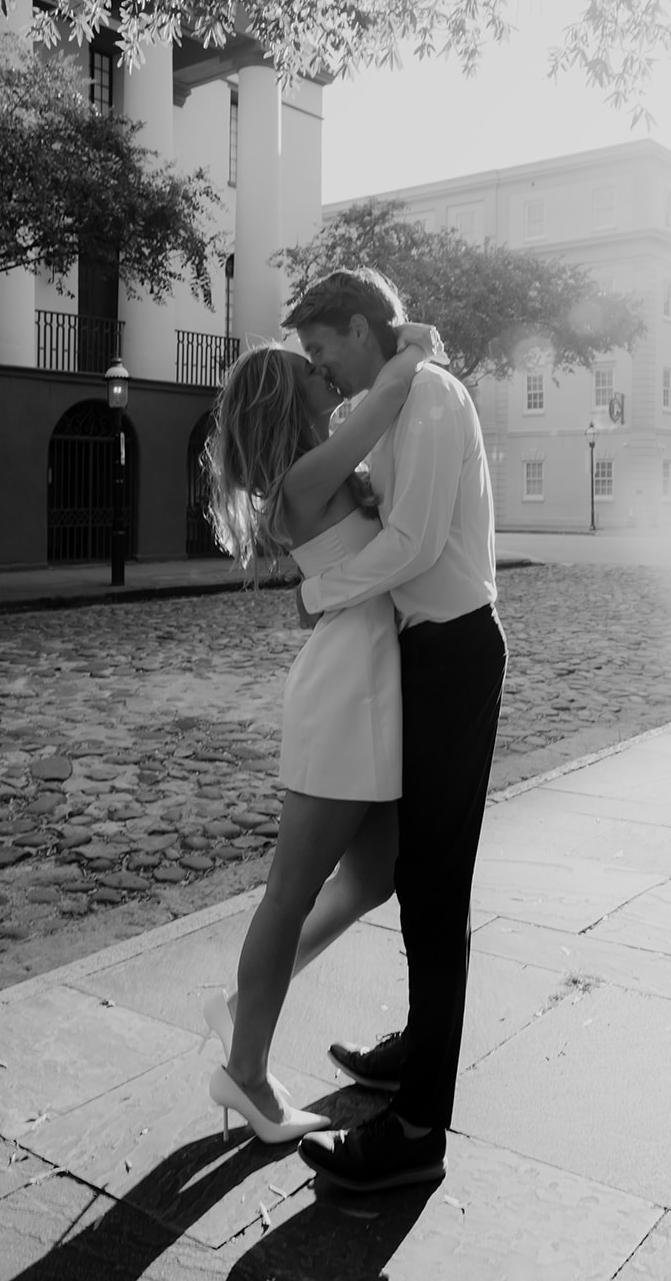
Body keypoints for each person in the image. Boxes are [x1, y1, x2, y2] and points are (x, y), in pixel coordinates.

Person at [281, 268, 507, 1193]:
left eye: (321, 348)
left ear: (359, 329)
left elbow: (413, 543)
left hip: (454, 652)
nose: (318, 368)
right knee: (413, 869)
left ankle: (417, 1128)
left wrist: (317, 592)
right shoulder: (391, 397)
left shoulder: (435, 398)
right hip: (422, 654)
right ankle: (419, 1046)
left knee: (435, 886)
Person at [201, 322, 444, 1144]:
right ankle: (246, 1074)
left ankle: (245, 1004)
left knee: (371, 876)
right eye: (312, 370)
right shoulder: (307, 476)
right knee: (289, 891)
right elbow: (385, 398)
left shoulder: (320, 470)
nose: (327, 374)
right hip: (345, 688)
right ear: (289, 394)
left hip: (374, 679)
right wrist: (416, 345)